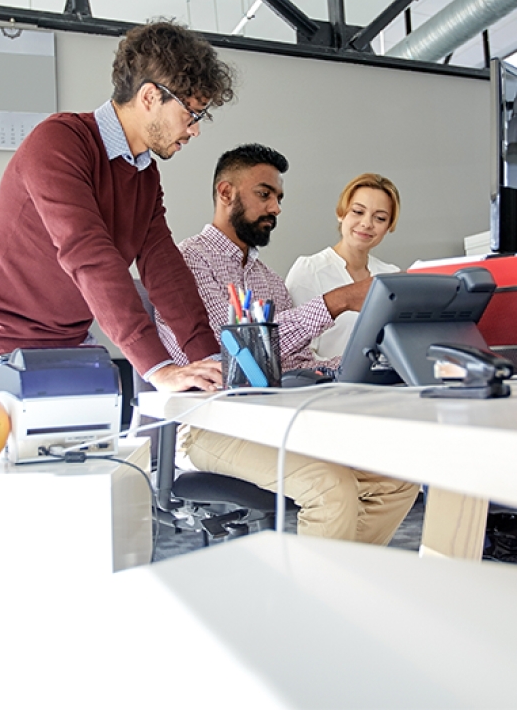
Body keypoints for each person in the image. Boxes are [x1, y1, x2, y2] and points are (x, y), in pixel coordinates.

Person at [155, 144, 419, 543]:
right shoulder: (189, 262)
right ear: (226, 194)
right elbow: (228, 357)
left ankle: (338, 582)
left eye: (278, 198)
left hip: (268, 423)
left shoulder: (267, 278)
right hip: (207, 424)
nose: (276, 207)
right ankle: (316, 598)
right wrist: (337, 301)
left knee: (397, 479)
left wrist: (359, 363)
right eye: (265, 194)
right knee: (330, 488)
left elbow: (292, 360)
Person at [0, 19, 235, 395]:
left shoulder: (144, 175)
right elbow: (88, 254)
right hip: (7, 348)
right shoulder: (59, 142)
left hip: (71, 342)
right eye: (192, 113)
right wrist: (158, 368)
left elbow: (164, 268)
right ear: (151, 97)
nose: (195, 130)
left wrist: (214, 363)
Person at [286, 173, 401, 360]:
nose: (366, 223)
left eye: (379, 218)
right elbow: (297, 353)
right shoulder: (309, 271)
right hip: (329, 386)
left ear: (389, 227)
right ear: (341, 213)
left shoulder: (392, 275)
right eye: (357, 211)